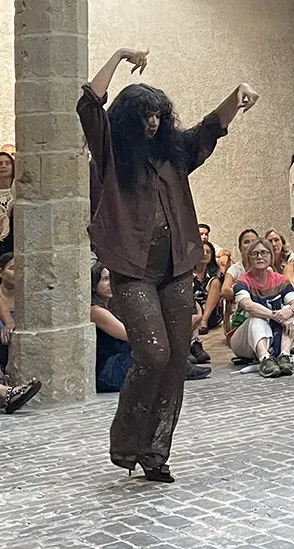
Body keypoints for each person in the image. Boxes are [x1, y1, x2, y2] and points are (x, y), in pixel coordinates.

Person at [80, 46, 257, 481]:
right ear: (129, 118)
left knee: (177, 358)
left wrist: (236, 96)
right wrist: (120, 55)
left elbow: (209, 130)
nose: (154, 121)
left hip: (177, 268)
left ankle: (156, 452)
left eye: (158, 113)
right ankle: (126, 441)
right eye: (145, 114)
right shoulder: (111, 153)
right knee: (153, 355)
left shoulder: (174, 153)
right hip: (133, 269)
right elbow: (89, 104)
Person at [227, 240, 294, 377]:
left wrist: (289, 312)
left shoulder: (280, 280)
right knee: (256, 318)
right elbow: (248, 305)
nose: (260, 257)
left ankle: (284, 356)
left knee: (291, 315)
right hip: (244, 340)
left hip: (273, 330)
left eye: (264, 253)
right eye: (255, 254)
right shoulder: (242, 282)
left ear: (271, 256)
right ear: (249, 259)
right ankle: (265, 359)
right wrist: (278, 317)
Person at [91, 263, 132, 393]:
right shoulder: (95, 310)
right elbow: (127, 334)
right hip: (109, 372)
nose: (110, 284)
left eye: (112, 279)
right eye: (104, 279)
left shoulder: (111, 307)